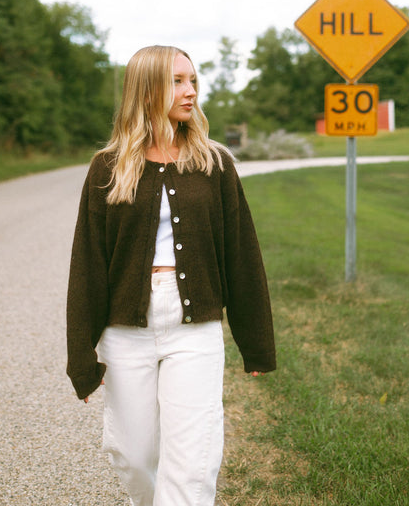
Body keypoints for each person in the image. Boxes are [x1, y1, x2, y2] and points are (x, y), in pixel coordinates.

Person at [66, 45, 276, 506]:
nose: (191, 92)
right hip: (127, 328)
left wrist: (256, 342)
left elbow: (241, 254)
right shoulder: (108, 165)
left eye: (194, 81)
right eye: (178, 81)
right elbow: (87, 264)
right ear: (147, 90)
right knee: (132, 453)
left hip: (194, 328)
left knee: (193, 460)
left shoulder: (213, 162)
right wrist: (80, 356)